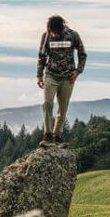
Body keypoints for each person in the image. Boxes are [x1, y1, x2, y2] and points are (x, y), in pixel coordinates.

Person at [36, 15, 86, 147]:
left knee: (62, 108)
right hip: (51, 75)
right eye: (52, 32)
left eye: (57, 32)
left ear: (62, 28)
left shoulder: (73, 35)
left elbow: (82, 54)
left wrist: (77, 71)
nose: (55, 35)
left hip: (67, 78)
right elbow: (42, 56)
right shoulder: (46, 36)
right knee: (47, 103)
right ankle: (47, 135)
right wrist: (39, 76)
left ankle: (57, 135)